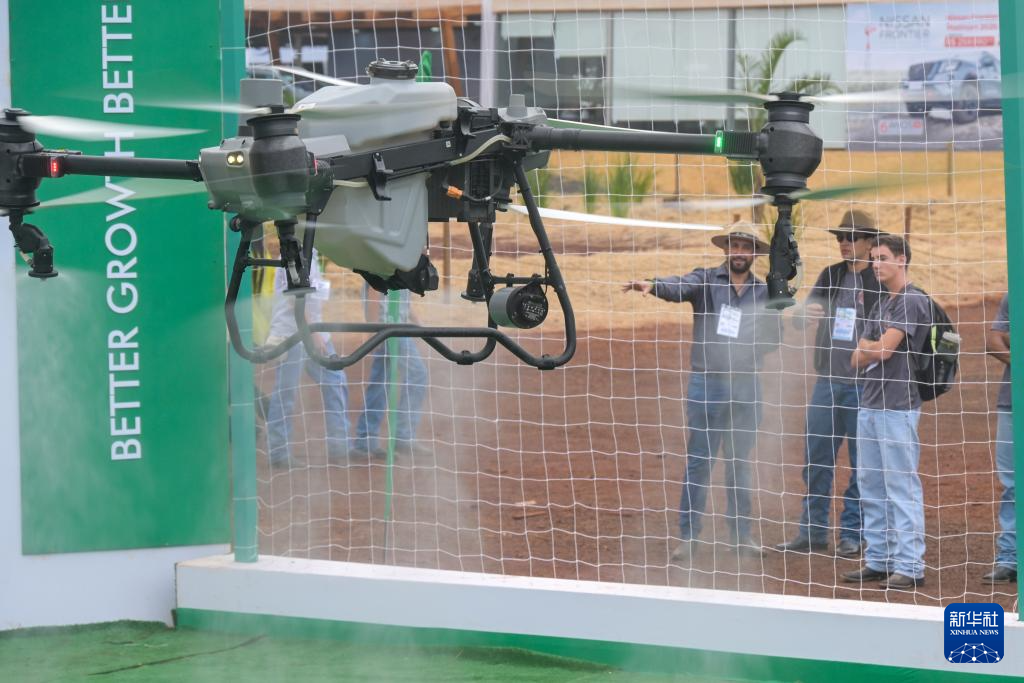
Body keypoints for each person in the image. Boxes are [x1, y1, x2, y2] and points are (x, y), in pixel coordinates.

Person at [623, 226, 783, 563]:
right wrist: (654, 285)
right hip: (707, 383)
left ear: (755, 254)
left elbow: (775, 337)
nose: (739, 252)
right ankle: (689, 536)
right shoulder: (706, 280)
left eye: (746, 247)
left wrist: (761, 336)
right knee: (699, 462)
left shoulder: (764, 291)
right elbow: (680, 286)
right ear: (726, 249)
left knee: (739, 464)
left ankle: (740, 536)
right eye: (734, 245)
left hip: (745, 385)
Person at [776, 210, 883, 558]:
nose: (844, 243)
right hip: (828, 382)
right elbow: (801, 317)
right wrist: (803, 315)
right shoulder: (831, 275)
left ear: (869, 242)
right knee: (817, 459)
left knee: (862, 464)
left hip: (865, 385)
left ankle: (853, 533)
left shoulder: (880, 280)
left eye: (851, 237)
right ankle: (812, 532)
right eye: (840, 237)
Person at [843, 234, 930, 590]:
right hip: (869, 404)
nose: (875, 264)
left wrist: (870, 347)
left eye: (882, 258)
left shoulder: (912, 300)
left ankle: (910, 566)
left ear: (901, 260)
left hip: (897, 407)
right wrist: (871, 347)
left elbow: (882, 351)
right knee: (870, 485)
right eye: (873, 258)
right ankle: (879, 559)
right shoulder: (881, 303)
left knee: (900, 486)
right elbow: (855, 358)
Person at [265, 250, 351, 468]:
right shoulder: (292, 253)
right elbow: (295, 299)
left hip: (312, 332)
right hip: (292, 334)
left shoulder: (310, 253)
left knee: (335, 380)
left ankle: (339, 446)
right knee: (286, 392)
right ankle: (279, 453)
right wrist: (314, 333)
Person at [352, 284, 430, 459]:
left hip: (392, 327)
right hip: (390, 328)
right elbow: (374, 291)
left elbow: (400, 299)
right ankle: (403, 436)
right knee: (417, 374)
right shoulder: (389, 266)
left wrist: (417, 322)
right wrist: (373, 330)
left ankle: (366, 441)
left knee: (380, 382)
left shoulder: (402, 268)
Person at [983, 293, 1016, 584]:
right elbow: (993, 341)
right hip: (1011, 402)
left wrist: (1010, 339)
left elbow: (1003, 337)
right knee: (1012, 484)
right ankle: (1010, 558)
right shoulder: (1013, 295)